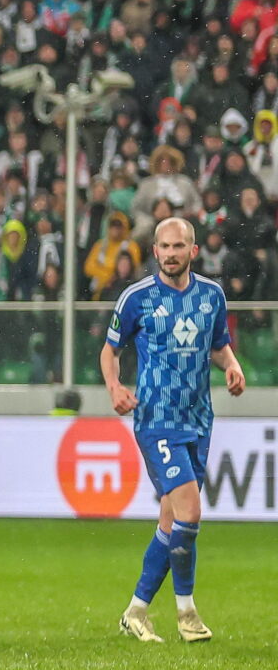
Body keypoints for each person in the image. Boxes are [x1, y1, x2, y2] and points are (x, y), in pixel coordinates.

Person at [103, 217, 245, 643]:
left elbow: (218, 346)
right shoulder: (137, 298)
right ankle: (187, 614)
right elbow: (109, 352)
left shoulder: (212, 296)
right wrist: (114, 386)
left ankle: (136, 611)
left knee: (172, 521)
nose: (170, 253)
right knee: (190, 512)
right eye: (163, 246)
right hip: (156, 420)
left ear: (192, 251)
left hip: (199, 419)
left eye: (178, 246)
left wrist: (233, 365)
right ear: (154, 251)